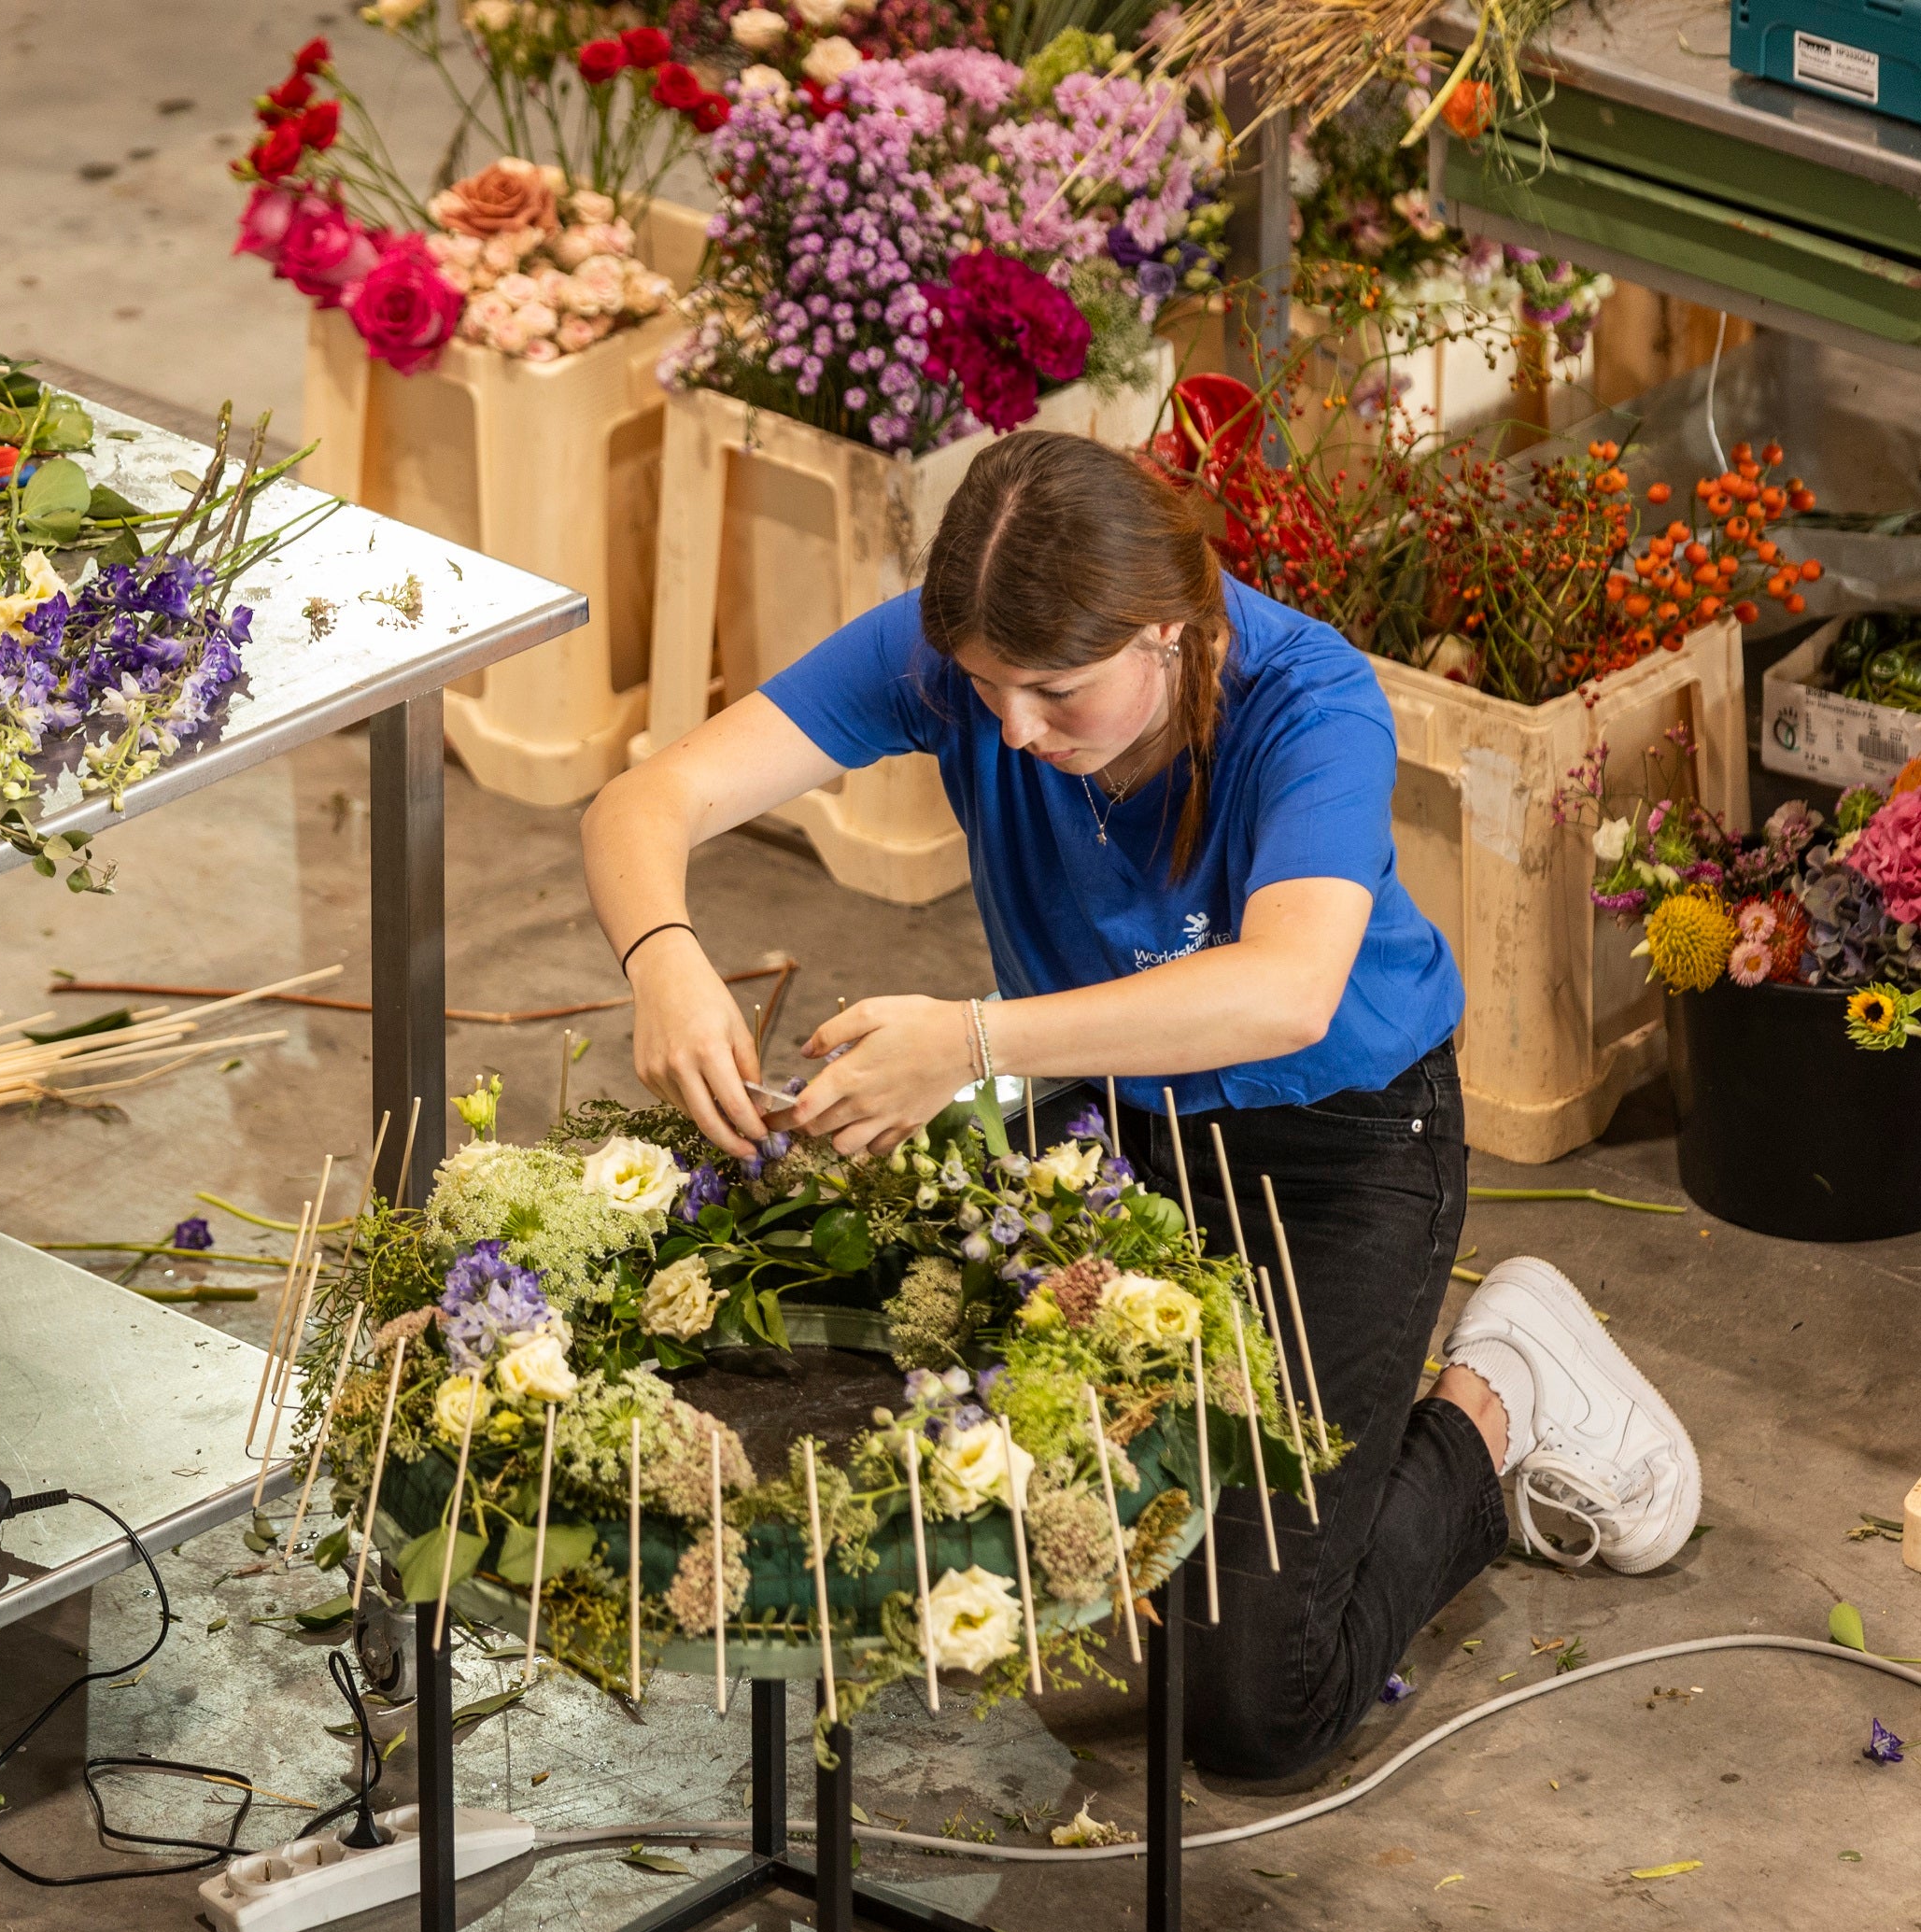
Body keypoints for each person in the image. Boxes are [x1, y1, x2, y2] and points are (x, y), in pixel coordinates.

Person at [579, 430, 1702, 1779]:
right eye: (988, 689)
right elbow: (650, 798)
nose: (1010, 730)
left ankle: (1497, 1396)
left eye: (1054, 693)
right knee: (937, 1480)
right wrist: (664, 957)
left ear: (1170, 633)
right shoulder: (963, 660)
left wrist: (973, 1041)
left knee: (1252, 1705)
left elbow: (1285, 989)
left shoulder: (1310, 701)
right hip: (1111, 1135)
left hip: (1336, 1149)